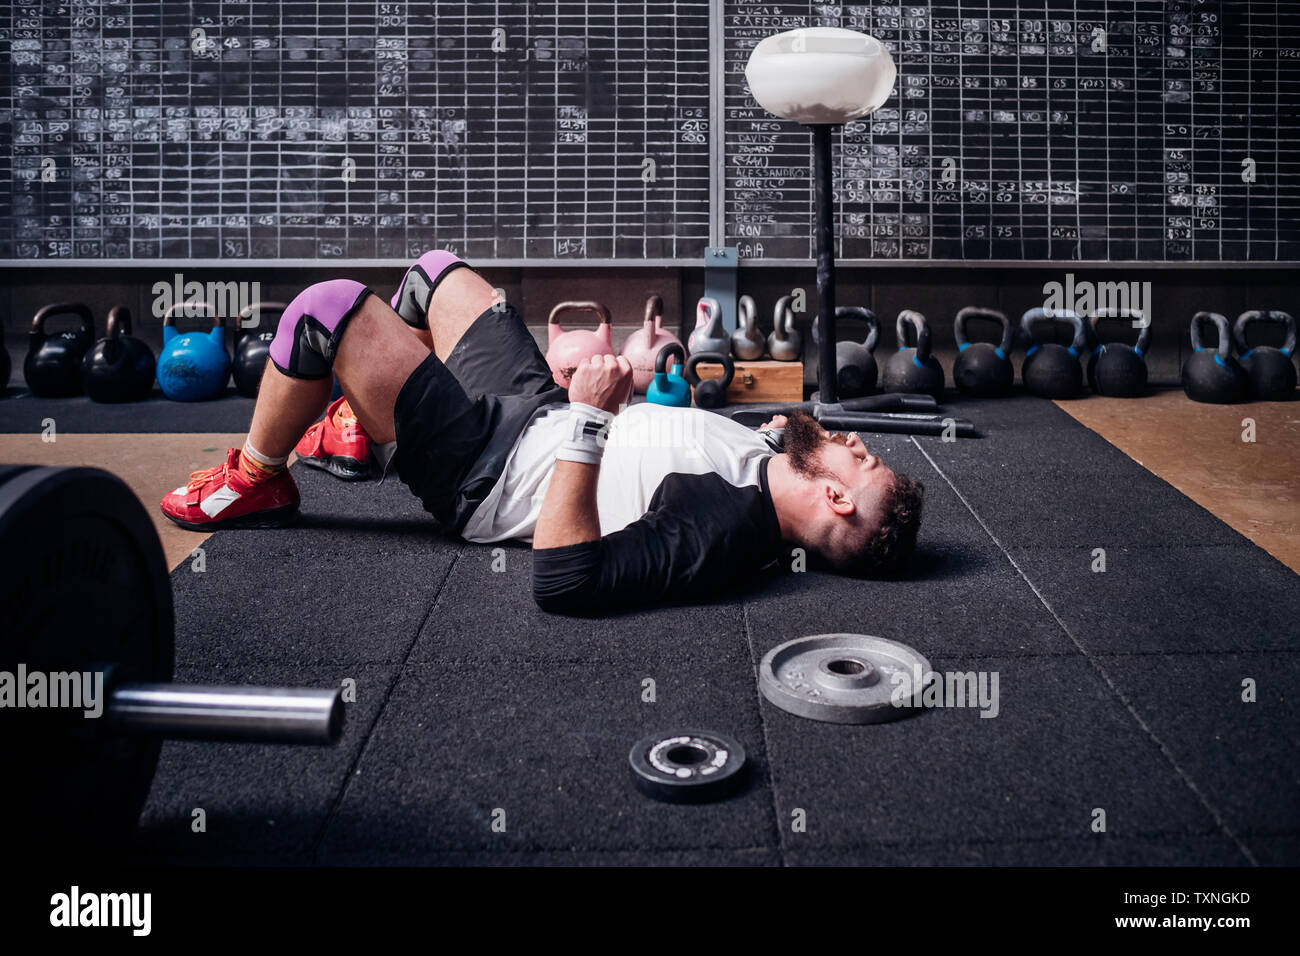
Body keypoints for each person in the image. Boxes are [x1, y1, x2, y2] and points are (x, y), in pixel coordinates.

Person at [160, 251, 924, 612]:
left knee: (325, 309)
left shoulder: (720, 531)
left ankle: (257, 478)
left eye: (863, 461)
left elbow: (565, 581)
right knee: (435, 275)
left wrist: (592, 417)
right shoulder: (762, 461)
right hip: (535, 414)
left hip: (483, 469)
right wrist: (609, 408)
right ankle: (367, 423)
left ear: (837, 500)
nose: (860, 443)